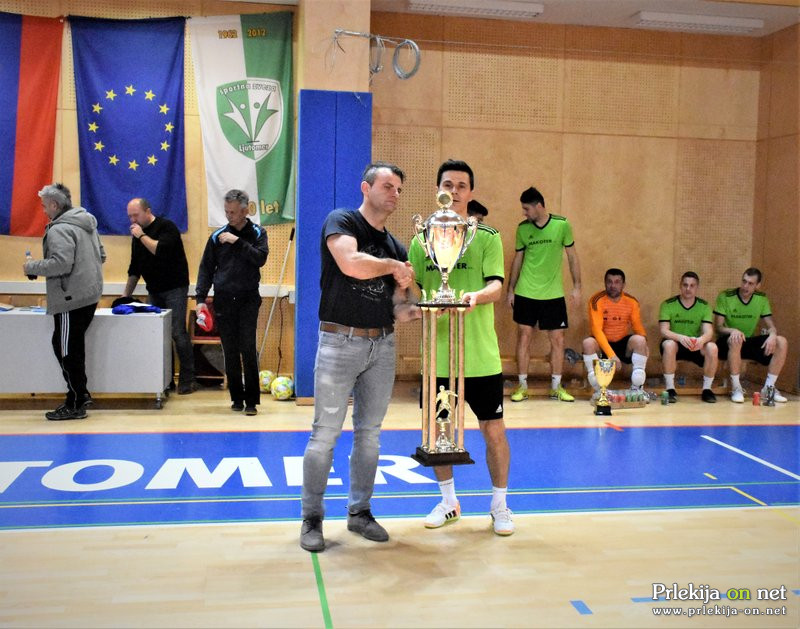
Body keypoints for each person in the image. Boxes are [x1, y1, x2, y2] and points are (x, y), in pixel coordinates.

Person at [300, 162, 418, 553]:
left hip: (381, 345)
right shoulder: (342, 221)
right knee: (325, 434)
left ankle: (360, 512)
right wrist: (394, 267)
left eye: (399, 189)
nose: (395, 194)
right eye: (388, 186)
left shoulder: (396, 246)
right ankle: (312, 518)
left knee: (369, 435)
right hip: (339, 342)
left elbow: (399, 306)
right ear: (365, 188)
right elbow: (350, 263)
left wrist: (419, 305)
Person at [409, 159, 514, 536]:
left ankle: (499, 505)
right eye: (448, 185)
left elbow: (497, 286)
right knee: (440, 434)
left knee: (493, 431)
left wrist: (475, 296)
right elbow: (412, 291)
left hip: (481, 357)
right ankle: (449, 501)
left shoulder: (486, 236)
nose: (453, 192)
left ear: (471, 192)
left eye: (461, 186)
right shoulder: (421, 240)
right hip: (438, 357)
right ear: (437, 189)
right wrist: (419, 306)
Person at [23, 183, 105, 420]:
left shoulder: (59, 229)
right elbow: (102, 255)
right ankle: (77, 396)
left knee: (66, 349)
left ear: (54, 205)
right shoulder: (87, 223)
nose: (43, 211)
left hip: (71, 298)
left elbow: (61, 264)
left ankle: (77, 401)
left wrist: (31, 267)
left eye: (44, 206)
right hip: (89, 295)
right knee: (69, 346)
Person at [195, 190, 268, 416]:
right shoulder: (217, 237)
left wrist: (237, 242)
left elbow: (260, 258)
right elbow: (206, 269)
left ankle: (251, 401)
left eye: (233, 212)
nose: (229, 216)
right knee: (230, 350)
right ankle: (236, 398)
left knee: (248, 348)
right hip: (224, 300)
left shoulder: (258, 233)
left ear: (245, 211)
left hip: (248, 299)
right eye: (226, 212)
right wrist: (200, 299)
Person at [506, 186, 582, 403]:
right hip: (526, 292)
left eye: (527, 209)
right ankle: (522, 386)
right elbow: (517, 259)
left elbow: (572, 257)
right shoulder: (523, 229)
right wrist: (511, 289)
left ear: (538, 206)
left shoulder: (562, 225)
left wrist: (577, 286)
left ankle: (556, 387)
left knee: (557, 339)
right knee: (524, 337)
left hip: (553, 294)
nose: (524, 213)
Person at [122, 198, 196, 394]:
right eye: (129, 216)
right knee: (158, 335)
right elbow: (134, 268)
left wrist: (141, 235)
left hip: (175, 288)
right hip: (153, 290)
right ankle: (165, 380)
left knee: (177, 332)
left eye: (136, 215)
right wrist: (125, 296)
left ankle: (188, 379)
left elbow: (159, 250)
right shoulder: (137, 236)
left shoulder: (167, 227)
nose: (132, 220)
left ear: (148, 211)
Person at [714, 268, 788, 403]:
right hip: (727, 341)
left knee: (781, 341)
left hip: (748, 341)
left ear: (757, 285)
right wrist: (733, 330)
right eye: (744, 281)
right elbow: (718, 327)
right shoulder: (726, 296)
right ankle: (736, 388)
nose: (745, 286)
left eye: (750, 283)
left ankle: (769, 387)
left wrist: (772, 334)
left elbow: (771, 326)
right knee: (736, 339)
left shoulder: (761, 298)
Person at [582, 268, 648, 391]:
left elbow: (638, 327)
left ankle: (637, 388)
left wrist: (645, 344)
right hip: (602, 345)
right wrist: (611, 355)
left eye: (617, 282)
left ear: (623, 284)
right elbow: (596, 330)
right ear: (604, 283)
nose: (613, 286)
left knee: (640, 340)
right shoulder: (596, 300)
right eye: (609, 282)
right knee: (588, 343)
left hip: (622, 343)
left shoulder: (632, 302)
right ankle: (599, 391)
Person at [658, 271, 717, 403]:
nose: (688, 289)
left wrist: (701, 340)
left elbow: (708, 332)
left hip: (695, 344)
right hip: (676, 343)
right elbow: (664, 330)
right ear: (680, 285)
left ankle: (707, 390)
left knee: (712, 347)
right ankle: (670, 389)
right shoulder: (668, 304)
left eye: (692, 285)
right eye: (685, 285)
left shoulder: (704, 306)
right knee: (669, 344)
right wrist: (680, 338)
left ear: (697, 287)